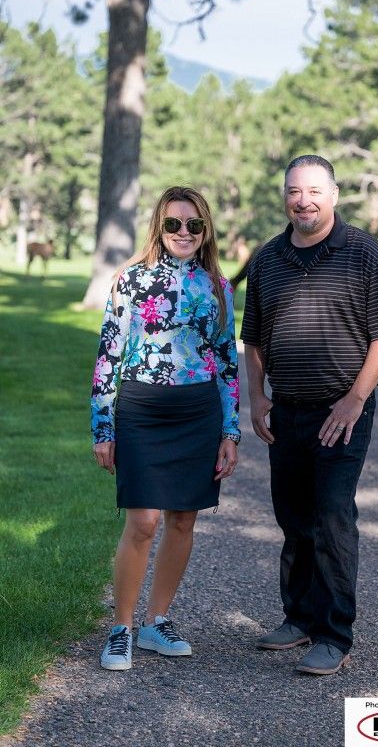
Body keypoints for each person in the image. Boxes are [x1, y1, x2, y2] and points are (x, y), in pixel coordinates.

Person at [241, 155, 378, 675]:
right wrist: (256, 397)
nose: (304, 200)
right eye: (295, 191)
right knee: (294, 519)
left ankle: (334, 634)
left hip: (341, 412)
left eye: (315, 191)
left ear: (335, 195)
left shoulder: (363, 252)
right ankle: (298, 618)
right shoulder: (269, 259)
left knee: (333, 517)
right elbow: (254, 338)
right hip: (286, 412)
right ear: (285, 197)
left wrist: (355, 398)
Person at [91, 186, 240, 671]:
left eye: (193, 225)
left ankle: (156, 622)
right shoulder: (129, 281)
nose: (183, 232)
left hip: (198, 413)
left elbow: (225, 362)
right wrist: (102, 426)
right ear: (159, 227)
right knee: (143, 522)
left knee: (182, 519)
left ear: (205, 231)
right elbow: (108, 357)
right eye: (174, 223)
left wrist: (230, 432)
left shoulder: (219, 286)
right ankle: (121, 628)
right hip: (141, 410)